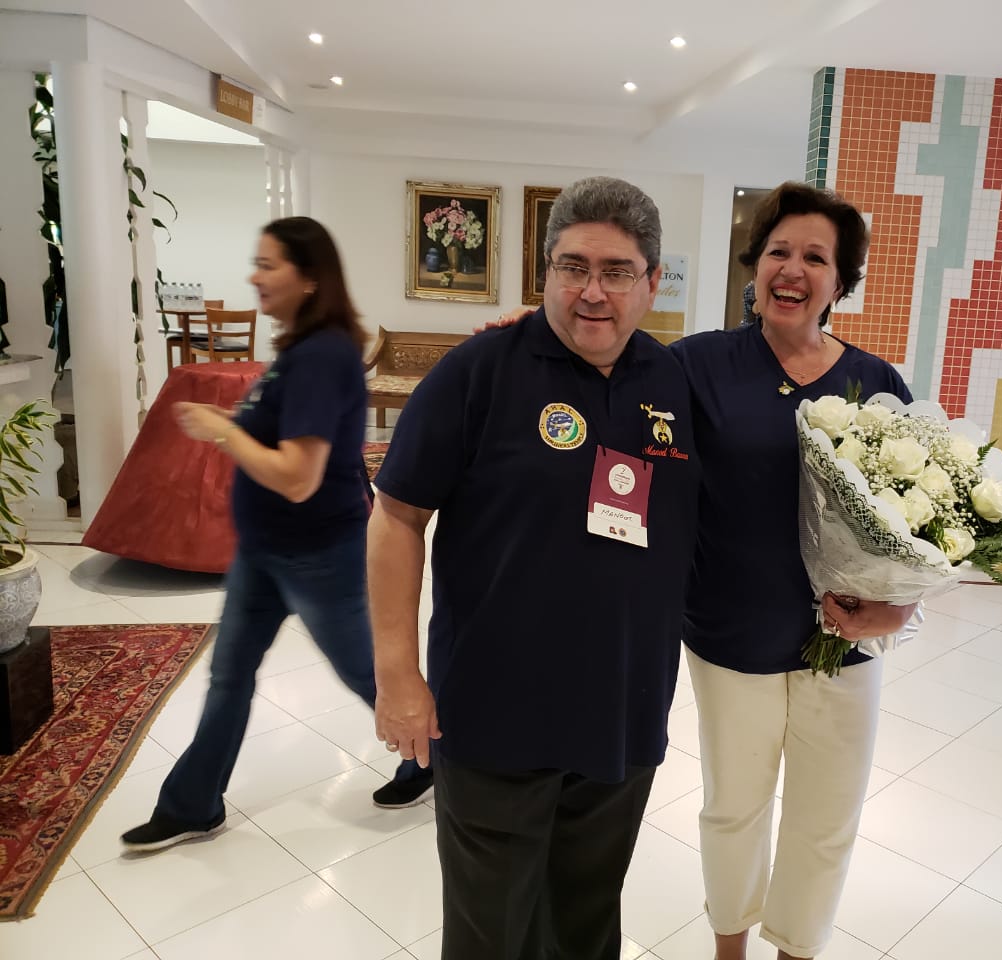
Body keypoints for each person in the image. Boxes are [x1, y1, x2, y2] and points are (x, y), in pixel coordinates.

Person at [368, 177, 701, 960]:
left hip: (622, 713)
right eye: (572, 267)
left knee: (585, 925)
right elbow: (396, 516)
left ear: (653, 281)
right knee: (490, 935)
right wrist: (396, 675)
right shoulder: (478, 371)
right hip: (495, 715)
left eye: (616, 271)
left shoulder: (675, 381)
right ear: (545, 272)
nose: (593, 291)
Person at [121, 217, 432, 853]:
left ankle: (439, 760)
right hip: (266, 552)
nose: (254, 277)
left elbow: (296, 476)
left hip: (319, 553)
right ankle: (192, 805)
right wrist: (236, 422)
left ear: (309, 277)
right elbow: (281, 433)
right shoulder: (301, 349)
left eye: (268, 265)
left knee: (368, 674)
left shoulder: (322, 356)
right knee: (229, 675)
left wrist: (221, 431)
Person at [669, 182, 918, 959]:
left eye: (816, 257)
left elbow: (917, 521)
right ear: (755, 266)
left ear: (841, 282)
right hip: (730, 629)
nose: (794, 269)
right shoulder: (698, 365)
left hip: (841, 640)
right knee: (733, 808)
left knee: (826, 816)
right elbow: (607, 391)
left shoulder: (879, 384)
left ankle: (797, 950)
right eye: (779, 251)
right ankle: (729, 951)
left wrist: (898, 611)